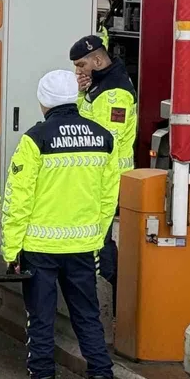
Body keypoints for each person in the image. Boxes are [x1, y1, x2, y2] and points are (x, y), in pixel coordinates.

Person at [0, 70, 119, 379]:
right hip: (82, 247)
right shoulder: (103, 137)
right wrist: (96, 237)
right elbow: (108, 198)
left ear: (44, 101)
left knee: (41, 321)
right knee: (88, 319)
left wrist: (11, 250)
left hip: (40, 248)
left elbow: (18, 199)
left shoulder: (35, 139)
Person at [70, 35, 137, 316]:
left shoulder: (114, 93)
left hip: (107, 180)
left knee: (100, 243)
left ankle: (114, 305)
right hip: (97, 179)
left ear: (97, 60)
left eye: (81, 65)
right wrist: (81, 94)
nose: (78, 71)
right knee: (98, 240)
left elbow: (104, 141)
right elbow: (81, 119)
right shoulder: (99, 86)